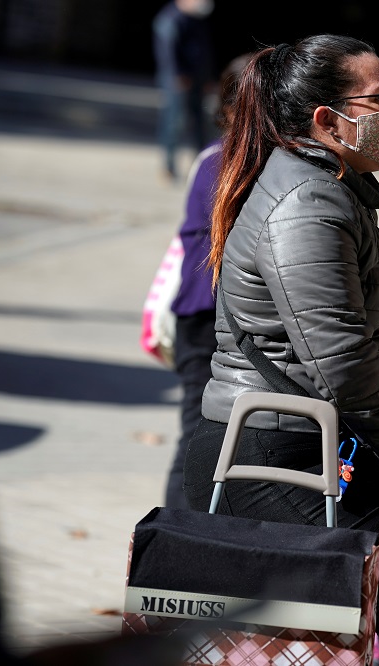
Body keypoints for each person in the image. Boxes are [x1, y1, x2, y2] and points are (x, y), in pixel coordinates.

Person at [181, 35, 379, 665]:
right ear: (327, 121)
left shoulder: (332, 186)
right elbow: (342, 362)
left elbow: (362, 337)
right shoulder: (306, 205)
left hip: (306, 443)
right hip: (273, 451)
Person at [162, 53, 251, 510]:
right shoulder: (231, 163)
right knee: (198, 434)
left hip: (205, 314)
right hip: (206, 316)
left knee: (203, 433)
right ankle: (173, 541)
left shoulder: (213, 157)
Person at [152, 0, 215, 182]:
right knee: (174, 123)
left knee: (200, 124)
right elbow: (167, 51)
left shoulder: (197, 20)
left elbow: (204, 51)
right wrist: (177, 75)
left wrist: (207, 77)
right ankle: (168, 167)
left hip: (198, 80)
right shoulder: (170, 18)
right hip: (177, 82)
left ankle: (201, 166)